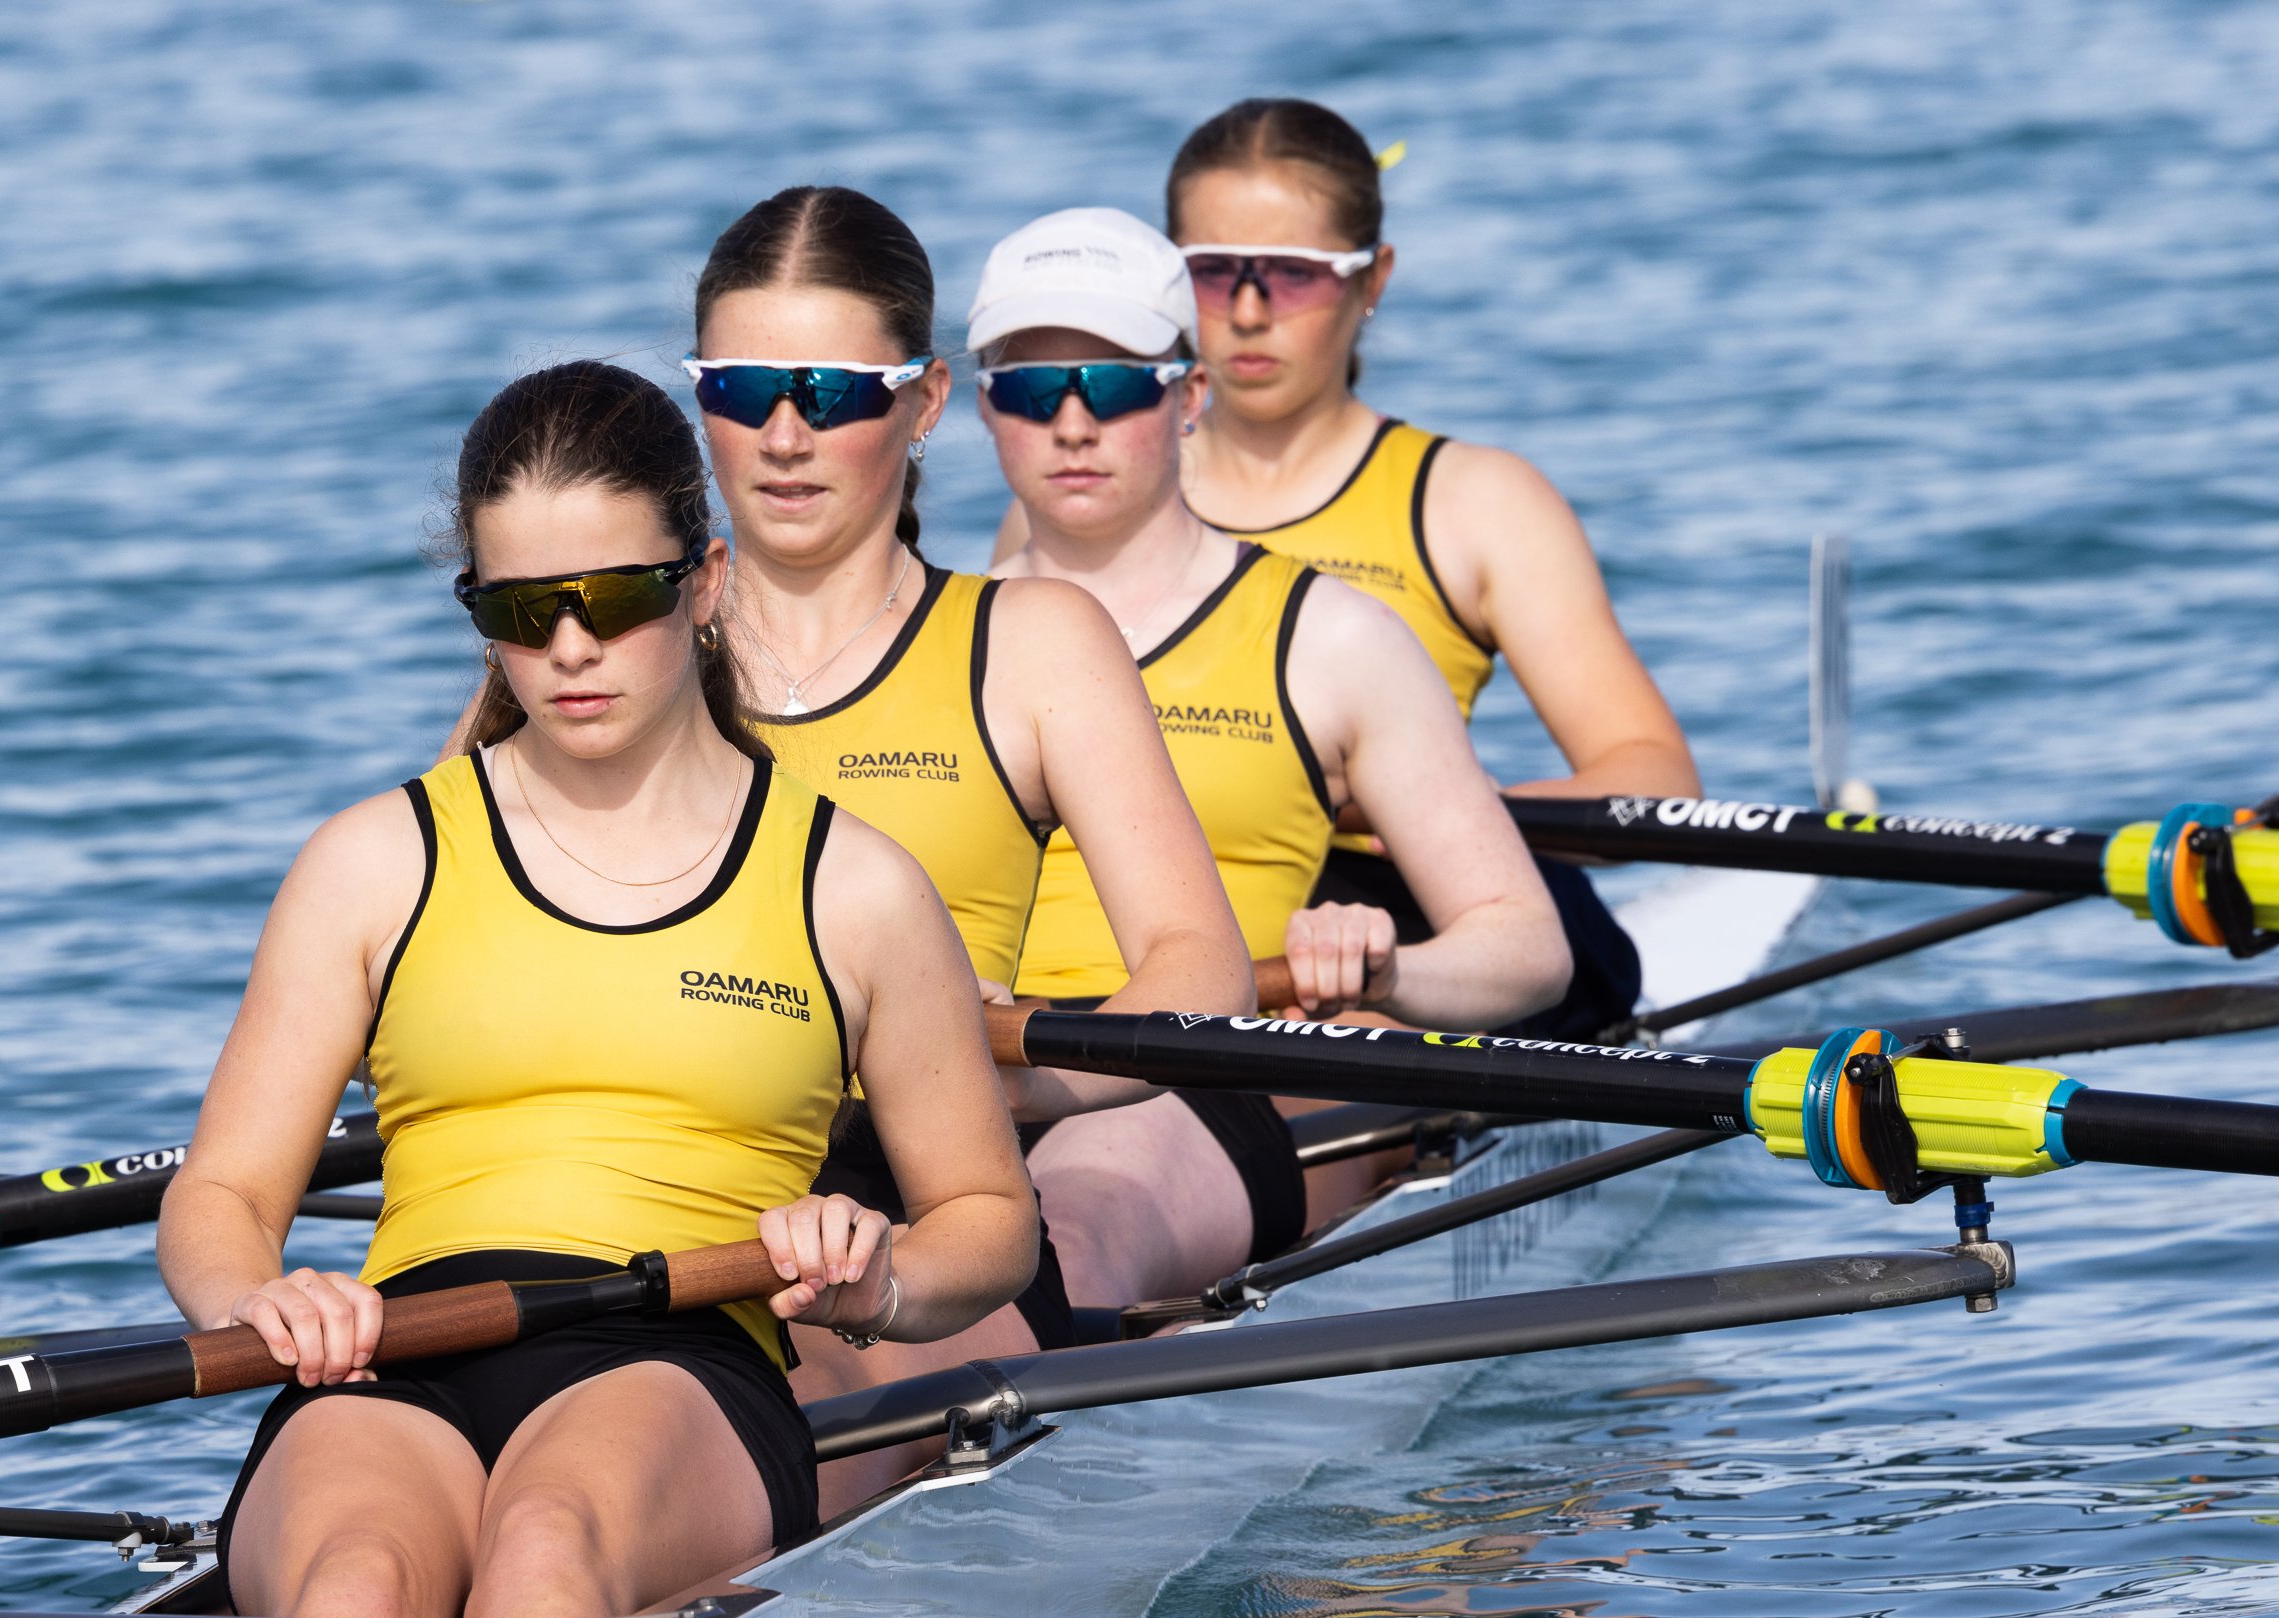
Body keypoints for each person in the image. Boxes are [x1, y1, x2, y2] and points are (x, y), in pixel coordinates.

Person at [154, 361, 1037, 1618]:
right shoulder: (374, 861)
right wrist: (258, 1297)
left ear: (705, 583)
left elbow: (992, 1224)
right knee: (351, 1594)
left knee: (549, 1546)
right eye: (517, 612)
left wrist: (876, 1274)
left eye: (612, 598)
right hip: (391, 1352)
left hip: (680, 1354)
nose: (568, 646)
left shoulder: (852, 884)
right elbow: (224, 1193)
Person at [681, 187, 1254, 1509]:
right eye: (741, 388)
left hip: (918, 1218)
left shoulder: (1034, 644)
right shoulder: (606, 633)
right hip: (651, 1190)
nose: (780, 435)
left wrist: (983, 1087)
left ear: (927, 402)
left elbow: (1200, 974)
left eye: (831, 393)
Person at [994, 101, 1700, 1040]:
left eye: (1292, 276)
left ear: (1374, 281)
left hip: (1386, 902)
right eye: (1211, 274)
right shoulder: (1075, 486)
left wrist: (1410, 798)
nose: (1246, 311)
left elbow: (1657, 782)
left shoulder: (1474, 502)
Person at [980, 207, 1572, 1313]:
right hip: (968, 1070)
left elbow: (1527, 948)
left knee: (1070, 1241)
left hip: (1200, 1069)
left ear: (1188, 397)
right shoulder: (921, 634)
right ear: (978, 411)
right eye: (1029, 388)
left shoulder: (1331, 638)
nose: (1070, 424)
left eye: (1111, 388)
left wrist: (1390, 969)